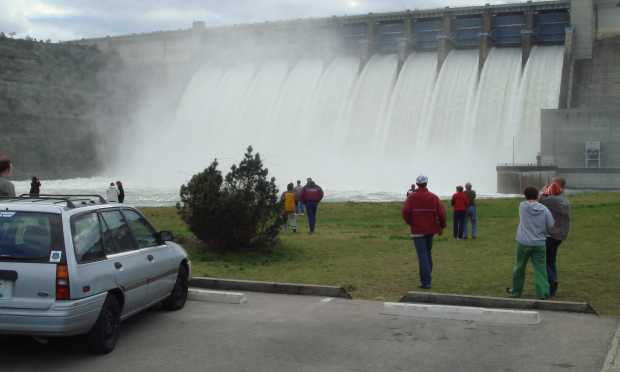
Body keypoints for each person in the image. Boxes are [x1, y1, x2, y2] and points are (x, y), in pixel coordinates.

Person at [507, 186, 554, 300]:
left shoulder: (522, 206)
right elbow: (551, 225)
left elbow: (531, 200)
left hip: (523, 242)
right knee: (540, 269)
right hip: (539, 243)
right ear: (537, 196)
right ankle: (543, 293)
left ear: (525, 196)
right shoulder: (545, 209)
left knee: (519, 267)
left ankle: (516, 292)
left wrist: (539, 194)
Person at [401, 175, 446, 289]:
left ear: (417, 184)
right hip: (430, 230)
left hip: (417, 230)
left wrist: (410, 222)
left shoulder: (411, 197)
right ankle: (428, 276)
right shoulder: (434, 197)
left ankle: (426, 282)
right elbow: (441, 213)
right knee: (427, 253)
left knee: (422, 256)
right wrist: (442, 226)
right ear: (426, 184)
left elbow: (405, 212)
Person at [539, 177, 571, 297]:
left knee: (545, 260)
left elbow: (539, 198)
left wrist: (545, 188)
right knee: (551, 260)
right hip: (561, 234)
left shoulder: (554, 200)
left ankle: (552, 282)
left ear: (557, 185)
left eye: (553, 183)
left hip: (552, 234)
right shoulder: (563, 199)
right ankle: (554, 280)